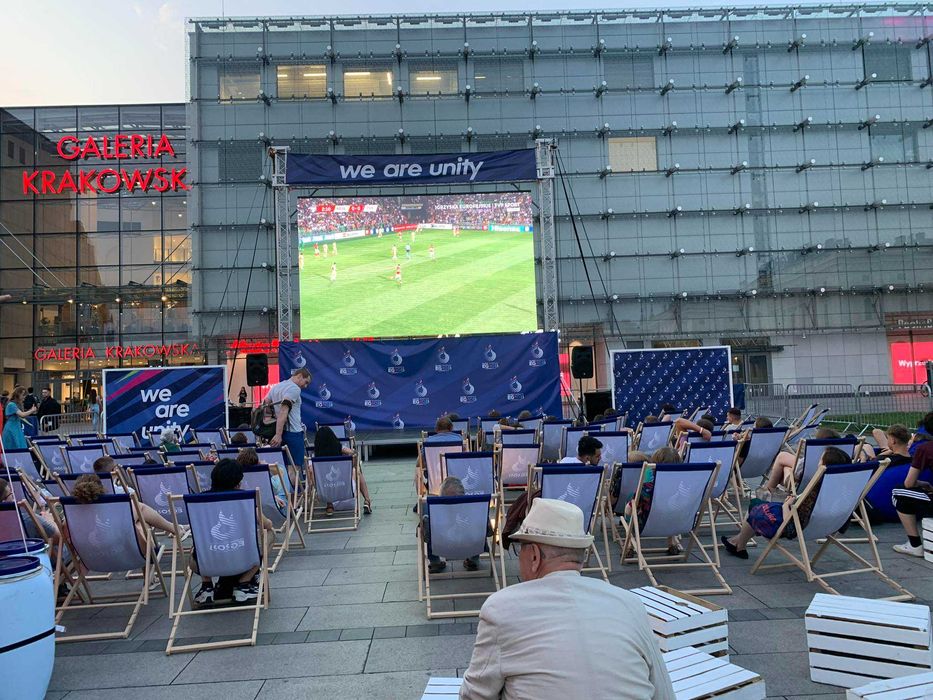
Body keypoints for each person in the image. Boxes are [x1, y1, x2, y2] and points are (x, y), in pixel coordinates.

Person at [459, 498, 675, 699]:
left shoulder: (501, 609)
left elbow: (475, 696)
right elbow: (664, 694)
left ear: (534, 556)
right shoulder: (630, 604)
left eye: (520, 551)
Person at [721, 446, 851, 559]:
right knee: (761, 504)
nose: (818, 462)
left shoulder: (815, 492)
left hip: (795, 526)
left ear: (824, 466)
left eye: (820, 459)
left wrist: (786, 505)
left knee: (756, 505)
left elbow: (789, 524)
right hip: (826, 527)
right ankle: (738, 542)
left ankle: (740, 545)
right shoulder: (842, 492)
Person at [192, 459, 273, 605]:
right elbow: (267, 525)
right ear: (237, 482)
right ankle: (244, 582)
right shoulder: (244, 499)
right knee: (271, 535)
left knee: (196, 544)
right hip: (242, 555)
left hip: (207, 560)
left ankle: (206, 585)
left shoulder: (199, 501)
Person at [891, 413, 933, 556]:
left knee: (898, 492)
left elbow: (909, 483)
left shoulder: (925, 449)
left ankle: (915, 545)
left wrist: (923, 484)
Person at [423, 476, 485, 573]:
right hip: (469, 546)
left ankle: (435, 562)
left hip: (441, 547)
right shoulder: (476, 509)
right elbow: (489, 532)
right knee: (480, 524)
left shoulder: (432, 510)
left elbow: (424, 535)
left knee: (427, 525)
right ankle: (473, 560)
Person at [759, 426, 840, 494]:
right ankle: (769, 490)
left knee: (784, 465)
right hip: (828, 487)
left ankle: (768, 491)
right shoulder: (841, 458)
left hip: (805, 486)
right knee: (784, 461)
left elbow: (798, 473)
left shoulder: (817, 458)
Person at [313, 425, 372, 515]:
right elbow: (354, 454)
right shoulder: (339, 448)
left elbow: (311, 477)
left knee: (324, 481)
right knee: (356, 472)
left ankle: (329, 505)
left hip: (325, 494)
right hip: (346, 492)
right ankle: (367, 500)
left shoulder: (314, 459)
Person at [266, 367, 312, 472]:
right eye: (306, 382)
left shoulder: (277, 386)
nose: (305, 386)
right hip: (293, 433)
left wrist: (272, 426)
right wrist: (278, 435)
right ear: (299, 376)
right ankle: (292, 489)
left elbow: (265, 403)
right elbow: (283, 410)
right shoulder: (294, 388)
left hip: (280, 432)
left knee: (280, 469)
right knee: (294, 469)